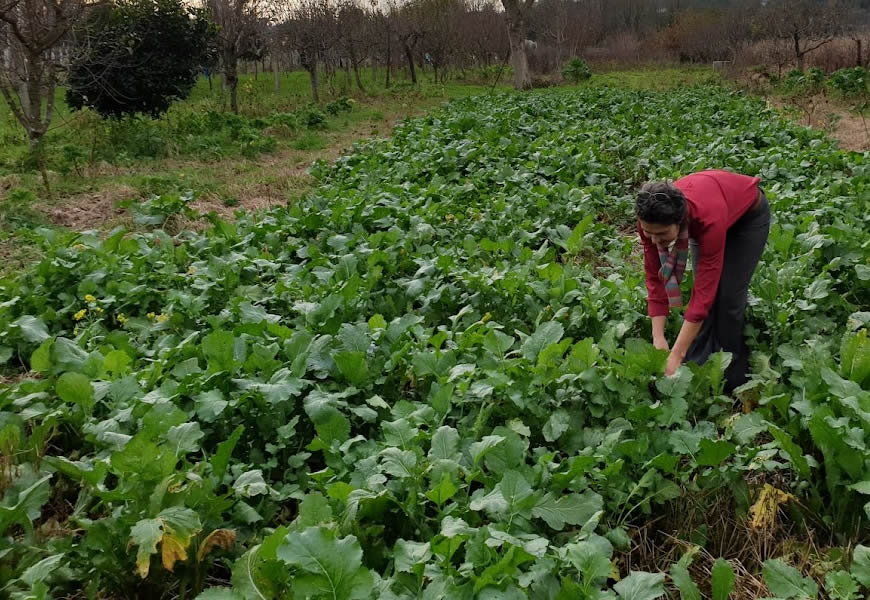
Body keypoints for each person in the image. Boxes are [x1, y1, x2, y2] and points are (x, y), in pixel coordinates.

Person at [635, 170, 771, 393]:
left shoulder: (706, 218)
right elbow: (654, 277)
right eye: (648, 233)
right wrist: (657, 338)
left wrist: (676, 353)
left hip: (748, 218)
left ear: (679, 223)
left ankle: (732, 377)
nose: (653, 239)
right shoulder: (650, 222)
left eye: (661, 234)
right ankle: (697, 367)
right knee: (705, 305)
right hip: (713, 206)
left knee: (727, 299)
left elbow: (703, 296)